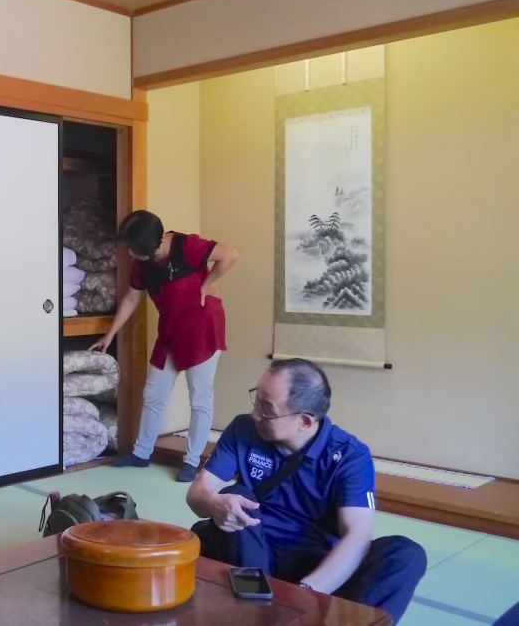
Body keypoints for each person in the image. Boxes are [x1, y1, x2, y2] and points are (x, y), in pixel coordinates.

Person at [186, 358, 426, 623]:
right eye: (256, 400)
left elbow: (356, 537)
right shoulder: (243, 429)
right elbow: (197, 494)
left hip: (318, 569)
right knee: (238, 495)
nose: (255, 414)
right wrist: (213, 503)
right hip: (250, 557)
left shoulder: (349, 456)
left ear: (305, 421)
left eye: (267, 409)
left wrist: (304, 592)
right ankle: (261, 611)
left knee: (405, 554)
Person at [90, 210, 238, 481]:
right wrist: (110, 334)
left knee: (200, 398)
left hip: (202, 330)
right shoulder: (142, 262)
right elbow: (132, 298)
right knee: (153, 393)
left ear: (151, 245)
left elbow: (229, 254)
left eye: (134, 248)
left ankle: (192, 461)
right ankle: (141, 453)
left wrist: (207, 283)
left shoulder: (187, 246)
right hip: (170, 330)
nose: (130, 253)